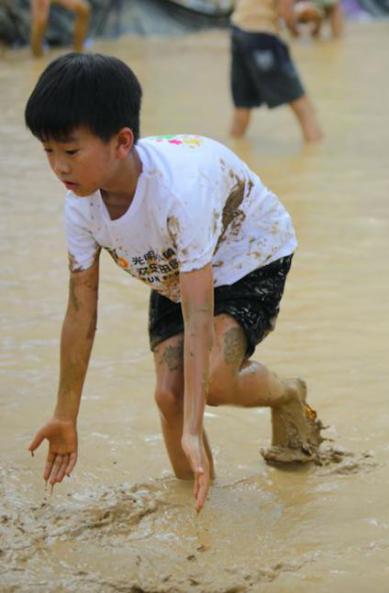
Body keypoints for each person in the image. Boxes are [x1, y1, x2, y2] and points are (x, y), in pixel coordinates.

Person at [24, 53, 322, 513]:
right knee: (168, 396)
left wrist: (192, 425)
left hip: (248, 255)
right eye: (48, 152)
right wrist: (65, 414)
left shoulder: (179, 193)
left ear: (121, 142)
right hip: (173, 268)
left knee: (213, 385)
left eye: (70, 151)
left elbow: (199, 312)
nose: (59, 168)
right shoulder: (80, 206)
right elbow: (80, 312)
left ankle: (287, 394)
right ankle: (200, 512)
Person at [229, 0, 324, 143]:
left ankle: (231, 150)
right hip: (262, 36)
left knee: (242, 105)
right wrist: (297, 30)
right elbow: (286, 14)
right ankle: (317, 154)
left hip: (238, 30)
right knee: (304, 107)